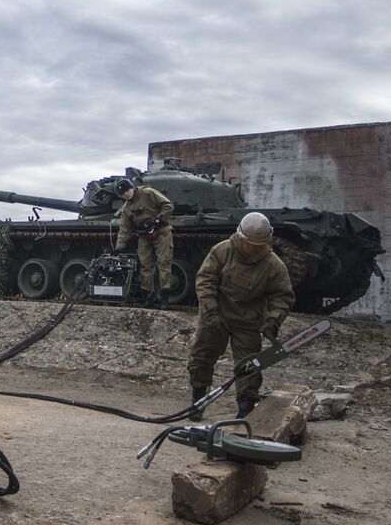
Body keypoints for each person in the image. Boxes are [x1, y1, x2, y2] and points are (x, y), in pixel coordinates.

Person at [187, 212, 295, 420]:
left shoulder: (273, 264)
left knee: (249, 364)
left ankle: (245, 406)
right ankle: (198, 399)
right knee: (202, 356)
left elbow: (282, 296)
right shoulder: (222, 251)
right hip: (216, 313)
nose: (254, 249)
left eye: (259, 245)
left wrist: (274, 319)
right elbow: (205, 280)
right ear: (240, 237)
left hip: (249, 319)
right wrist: (211, 311)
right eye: (250, 244)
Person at [113, 178, 175, 307]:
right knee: (145, 265)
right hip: (144, 236)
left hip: (161, 231)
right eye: (122, 194)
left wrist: (158, 221)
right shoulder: (126, 208)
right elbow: (125, 229)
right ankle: (147, 296)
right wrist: (119, 247)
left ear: (132, 187)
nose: (125, 194)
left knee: (163, 262)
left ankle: (164, 297)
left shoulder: (148, 193)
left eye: (126, 191)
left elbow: (168, 205)